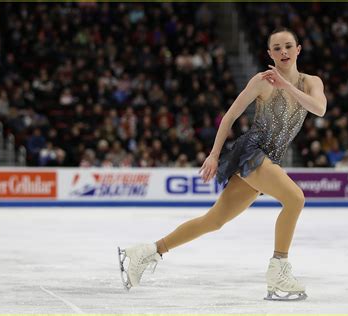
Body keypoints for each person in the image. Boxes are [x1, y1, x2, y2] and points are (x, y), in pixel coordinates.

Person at [118, 27, 327, 301]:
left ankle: (145, 252)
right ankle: (278, 269)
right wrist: (214, 155)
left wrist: (286, 85)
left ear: (298, 49)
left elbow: (319, 109)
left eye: (288, 46)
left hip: (269, 159)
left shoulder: (312, 82)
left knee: (214, 221)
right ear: (269, 54)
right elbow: (228, 118)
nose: (283, 52)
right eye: (277, 48)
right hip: (252, 152)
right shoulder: (261, 81)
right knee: (295, 199)